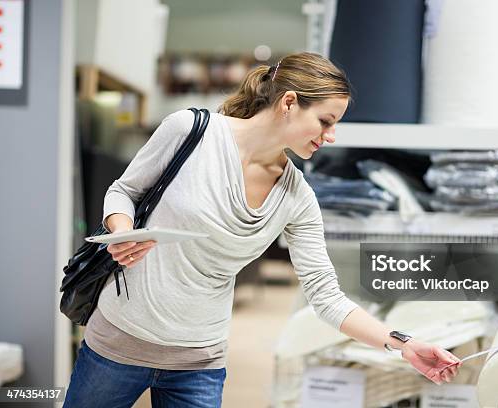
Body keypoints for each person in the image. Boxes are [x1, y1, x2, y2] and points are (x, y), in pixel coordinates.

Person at [64, 52, 462, 408]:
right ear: (289, 102)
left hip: (198, 363)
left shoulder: (297, 197)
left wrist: (404, 344)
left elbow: (326, 297)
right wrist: (123, 230)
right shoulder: (191, 131)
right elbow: (124, 190)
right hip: (118, 343)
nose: (331, 135)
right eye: (325, 121)